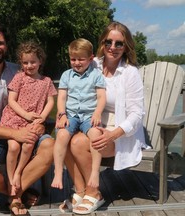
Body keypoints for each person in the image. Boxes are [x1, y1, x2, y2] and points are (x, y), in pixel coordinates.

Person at [0, 24, 55, 216]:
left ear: (6, 46)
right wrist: (16, 133)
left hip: (27, 126)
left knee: (51, 147)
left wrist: (40, 123)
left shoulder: (21, 70)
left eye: (0, 43)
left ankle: (16, 192)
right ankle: (13, 194)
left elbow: (44, 100)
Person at [59, 21, 148, 215]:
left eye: (119, 44)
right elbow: (72, 89)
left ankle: (94, 192)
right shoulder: (93, 65)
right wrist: (63, 114)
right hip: (90, 121)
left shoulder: (130, 73)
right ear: (102, 43)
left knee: (78, 144)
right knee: (64, 138)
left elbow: (136, 113)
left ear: (126, 47)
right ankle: (82, 190)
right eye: (109, 42)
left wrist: (113, 134)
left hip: (119, 130)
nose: (113, 48)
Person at [0, 41, 57, 196]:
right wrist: (25, 114)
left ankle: (18, 172)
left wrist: (42, 117)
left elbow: (51, 101)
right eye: (25, 62)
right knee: (13, 147)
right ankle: (11, 180)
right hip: (14, 118)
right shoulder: (19, 78)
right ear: (21, 63)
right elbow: (11, 100)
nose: (29, 65)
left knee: (28, 145)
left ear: (40, 61)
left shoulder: (46, 81)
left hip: (33, 122)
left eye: (33, 62)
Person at [51, 38, 106, 190]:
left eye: (81, 59)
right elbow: (61, 97)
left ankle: (95, 172)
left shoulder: (96, 75)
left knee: (95, 134)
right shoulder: (66, 75)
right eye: (73, 59)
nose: (76, 63)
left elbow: (101, 97)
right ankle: (57, 172)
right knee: (61, 135)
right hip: (71, 115)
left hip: (89, 115)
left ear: (91, 58)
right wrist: (61, 114)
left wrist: (97, 113)